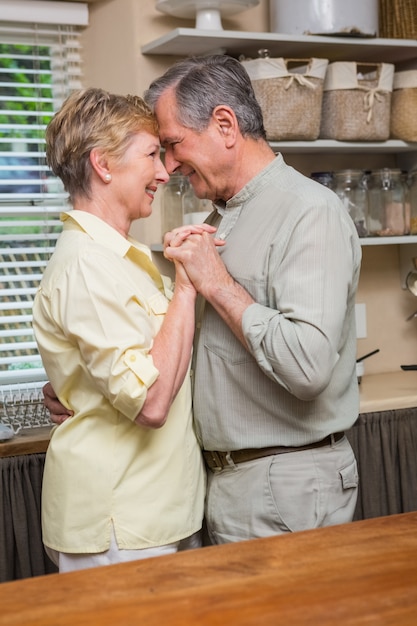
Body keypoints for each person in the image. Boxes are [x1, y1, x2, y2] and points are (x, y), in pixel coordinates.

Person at [45, 55, 362, 546]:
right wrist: (88, 384)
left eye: (172, 145)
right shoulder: (218, 221)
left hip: (287, 481)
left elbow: (308, 366)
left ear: (224, 125)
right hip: (223, 484)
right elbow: (189, 353)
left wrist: (217, 285)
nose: (168, 167)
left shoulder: (309, 213)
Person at [32, 87, 209, 572]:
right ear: (103, 165)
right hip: (119, 520)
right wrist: (189, 288)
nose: (164, 170)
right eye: (152, 154)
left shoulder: (119, 259)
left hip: (150, 512)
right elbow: (150, 404)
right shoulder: (89, 267)